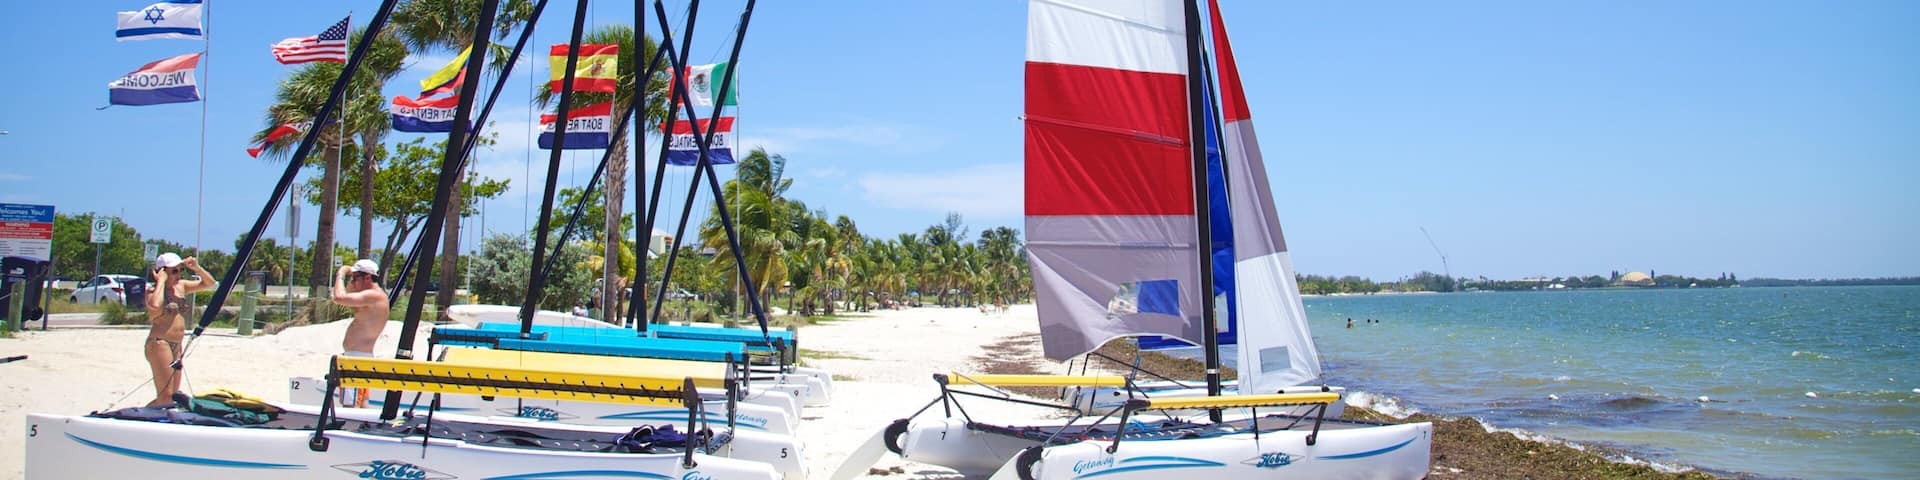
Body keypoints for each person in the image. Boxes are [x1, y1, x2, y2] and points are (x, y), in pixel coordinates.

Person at [144, 253, 217, 407]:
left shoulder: (181, 286)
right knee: (165, 397)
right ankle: (136, 417)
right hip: (159, 344)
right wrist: (161, 282)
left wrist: (197, 268)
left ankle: (156, 420)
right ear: (161, 272)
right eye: (174, 271)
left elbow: (210, 284)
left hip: (177, 345)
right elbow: (155, 306)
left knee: (173, 396)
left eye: (179, 270)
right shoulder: (153, 292)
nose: (178, 274)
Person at [332, 259, 390, 407]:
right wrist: (352, 277)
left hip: (356, 359)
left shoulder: (374, 295)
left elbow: (339, 298)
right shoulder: (371, 295)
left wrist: (340, 275)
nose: (353, 282)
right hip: (359, 357)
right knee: (361, 403)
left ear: (368, 278)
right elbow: (349, 293)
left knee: (351, 405)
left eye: (355, 278)